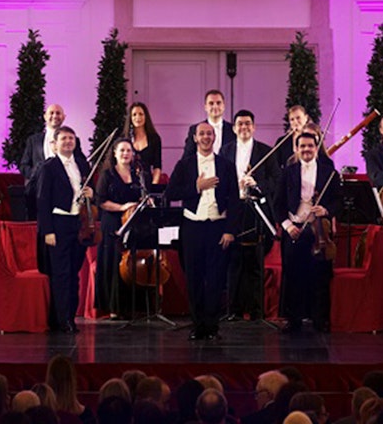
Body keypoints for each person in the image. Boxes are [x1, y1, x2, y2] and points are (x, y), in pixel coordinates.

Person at [166, 122, 240, 340]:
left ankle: (212, 326)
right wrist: (197, 187)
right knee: (195, 278)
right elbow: (170, 194)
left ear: (214, 137)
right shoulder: (185, 165)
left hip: (218, 227)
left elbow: (234, 200)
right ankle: (198, 326)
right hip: (192, 228)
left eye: (209, 133)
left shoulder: (226, 165)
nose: (206, 137)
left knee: (216, 279)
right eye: (202, 134)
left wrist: (230, 230)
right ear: (195, 138)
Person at [275, 131, 339, 333]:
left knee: (319, 276)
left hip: (318, 231)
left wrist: (326, 210)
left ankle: (320, 319)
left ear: (316, 148)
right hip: (294, 229)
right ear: (296, 149)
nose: (306, 150)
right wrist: (288, 226)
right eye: (302, 146)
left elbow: (338, 202)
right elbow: (277, 204)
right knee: (293, 276)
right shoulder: (288, 172)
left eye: (310, 146)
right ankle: (293, 319)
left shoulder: (330, 172)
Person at [219, 109, 279, 320]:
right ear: (234, 128)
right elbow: (219, 181)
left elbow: (276, 181)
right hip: (234, 210)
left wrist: (258, 184)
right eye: (240, 124)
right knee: (234, 262)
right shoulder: (225, 152)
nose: (244, 127)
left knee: (255, 262)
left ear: (254, 127)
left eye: (248, 124)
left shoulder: (266, 151)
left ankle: (256, 311)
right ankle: (234, 310)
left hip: (256, 211)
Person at [37, 126, 95, 333]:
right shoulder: (49, 167)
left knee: (73, 273)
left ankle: (68, 316)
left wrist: (90, 192)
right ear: (55, 143)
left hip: (77, 224)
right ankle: (63, 320)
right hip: (58, 224)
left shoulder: (81, 163)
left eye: (72, 138)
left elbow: (90, 191)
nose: (69, 141)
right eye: (64, 138)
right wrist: (48, 231)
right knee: (61, 274)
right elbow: (42, 201)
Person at [96, 139, 149, 319]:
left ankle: (133, 306)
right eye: (122, 150)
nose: (126, 154)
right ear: (115, 153)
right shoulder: (107, 175)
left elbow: (142, 196)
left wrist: (146, 201)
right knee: (115, 262)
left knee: (132, 263)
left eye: (129, 151)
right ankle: (114, 307)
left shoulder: (138, 175)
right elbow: (101, 201)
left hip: (133, 223)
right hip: (113, 222)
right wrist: (122, 207)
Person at [183, 90, 236, 157]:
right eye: (211, 103)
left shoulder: (233, 130)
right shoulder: (195, 129)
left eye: (218, 103)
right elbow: (187, 156)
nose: (215, 106)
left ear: (224, 106)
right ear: (205, 107)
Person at [125, 103, 163, 182]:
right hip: (127, 182)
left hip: (146, 182)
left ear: (146, 117)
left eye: (141, 114)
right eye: (134, 115)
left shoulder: (154, 139)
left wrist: (154, 185)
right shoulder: (124, 138)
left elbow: (157, 166)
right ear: (130, 118)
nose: (138, 117)